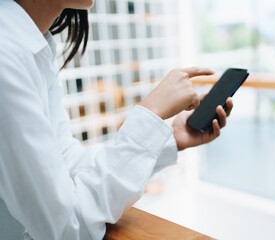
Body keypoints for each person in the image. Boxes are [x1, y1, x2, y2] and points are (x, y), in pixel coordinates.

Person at [0, 0, 233, 239]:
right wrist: (150, 114)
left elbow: (68, 163)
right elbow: (67, 228)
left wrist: (169, 138)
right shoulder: (6, 55)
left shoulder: (33, 46)